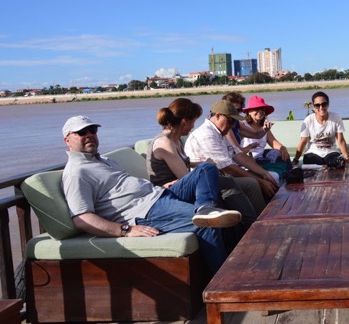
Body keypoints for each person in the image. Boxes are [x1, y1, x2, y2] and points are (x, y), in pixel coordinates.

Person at [60, 115, 241, 276]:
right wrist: (125, 230)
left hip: (159, 194)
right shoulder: (77, 172)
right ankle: (225, 282)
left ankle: (205, 208)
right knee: (208, 224)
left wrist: (160, 187)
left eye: (92, 130)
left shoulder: (103, 160)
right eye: (82, 132)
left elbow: (125, 188)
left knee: (205, 169)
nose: (89, 134)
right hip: (147, 212)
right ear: (67, 140)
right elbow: (82, 218)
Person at [146, 98, 258, 248]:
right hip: (169, 193)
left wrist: (203, 163)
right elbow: (185, 177)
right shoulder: (165, 143)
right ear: (185, 121)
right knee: (223, 183)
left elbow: (185, 163)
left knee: (223, 182)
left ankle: (247, 230)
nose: (193, 126)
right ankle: (250, 229)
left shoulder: (176, 140)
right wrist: (207, 167)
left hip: (180, 186)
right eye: (192, 122)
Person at [185, 100, 279, 204]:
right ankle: (257, 218)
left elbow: (238, 154)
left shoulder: (219, 133)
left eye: (235, 122)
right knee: (252, 183)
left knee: (270, 177)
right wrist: (260, 182)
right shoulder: (206, 134)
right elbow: (227, 167)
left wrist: (264, 173)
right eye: (231, 121)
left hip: (222, 175)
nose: (233, 125)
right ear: (218, 116)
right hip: (207, 181)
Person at [292, 91, 349, 166]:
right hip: (313, 152)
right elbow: (303, 142)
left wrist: (348, 158)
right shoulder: (308, 120)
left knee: (338, 163)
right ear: (313, 106)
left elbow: (341, 140)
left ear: (328, 104)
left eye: (324, 104)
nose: (321, 108)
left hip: (331, 152)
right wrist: (295, 159)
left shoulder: (336, 118)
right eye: (317, 105)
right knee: (311, 162)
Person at [241, 95, 292, 170]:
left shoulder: (264, 126)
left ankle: (290, 176)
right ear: (249, 112)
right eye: (256, 109)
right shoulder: (242, 125)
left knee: (282, 155)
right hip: (247, 158)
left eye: (262, 109)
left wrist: (283, 148)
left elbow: (273, 142)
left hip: (260, 157)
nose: (260, 112)